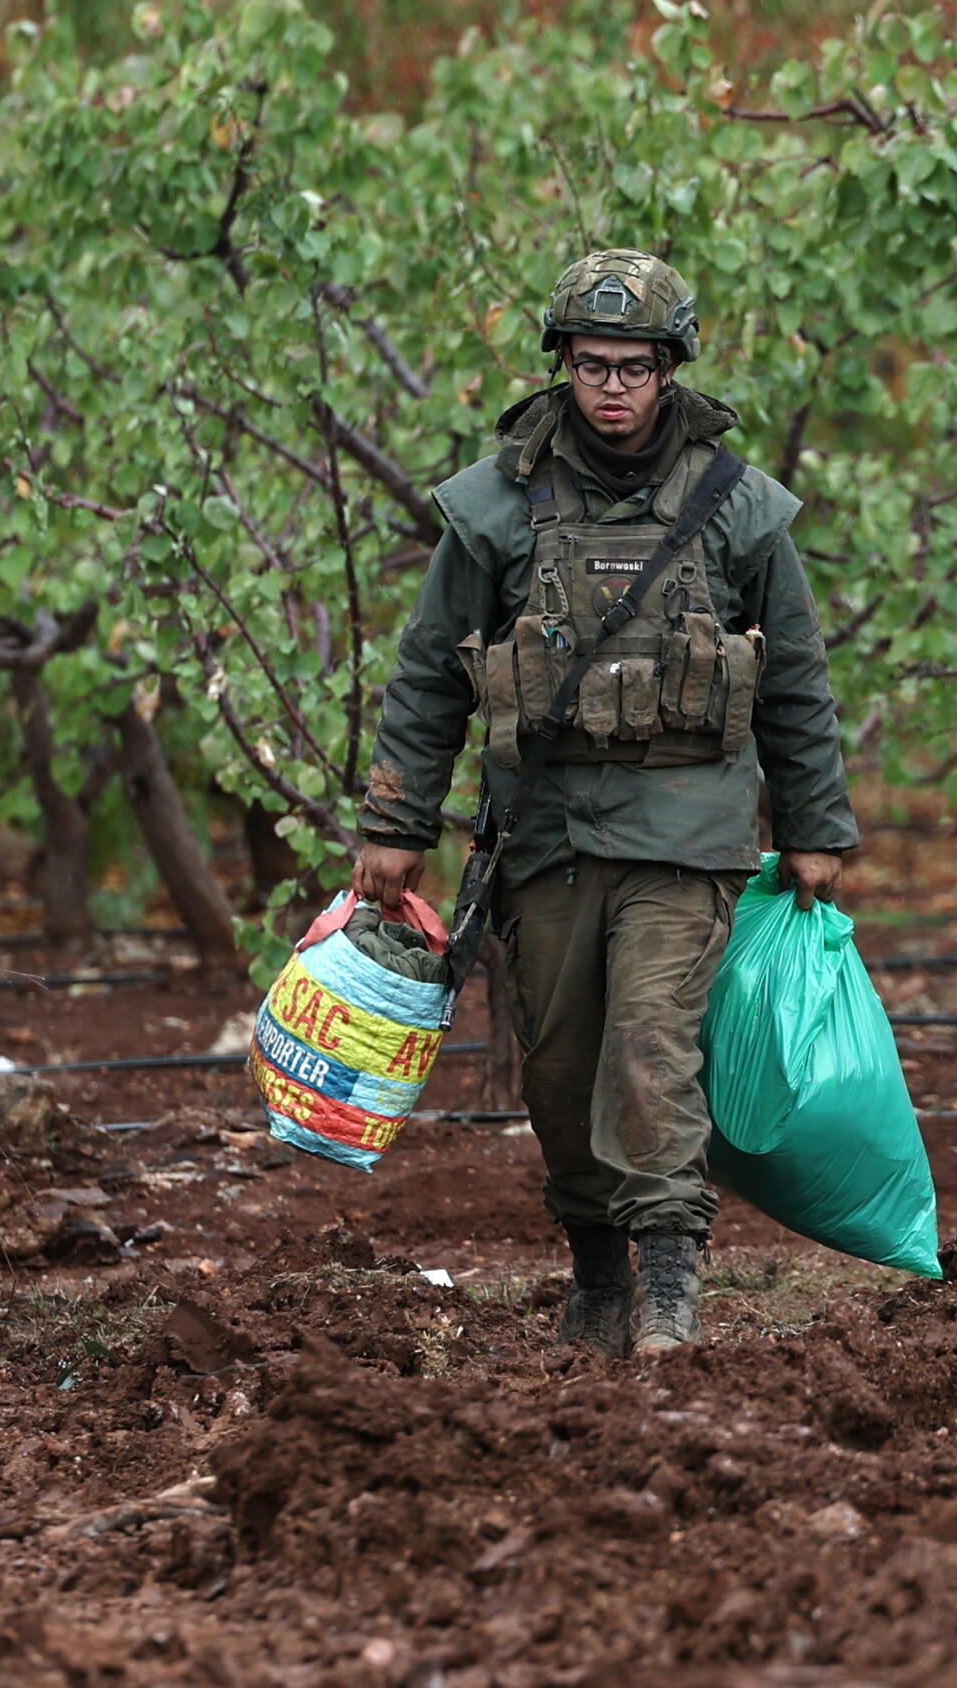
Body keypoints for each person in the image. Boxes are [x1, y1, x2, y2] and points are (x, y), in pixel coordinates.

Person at [349, 249, 857, 1353]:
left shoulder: (737, 508)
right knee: (562, 1065)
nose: (613, 386)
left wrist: (815, 828)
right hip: (550, 831)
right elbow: (433, 665)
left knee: (649, 1045)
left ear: (669, 370)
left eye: (634, 365)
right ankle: (595, 1269)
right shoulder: (496, 505)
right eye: (592, 364)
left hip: (689, 829)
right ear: (565, 367)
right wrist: (395, 822)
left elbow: (798, 680)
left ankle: (670, 1282)